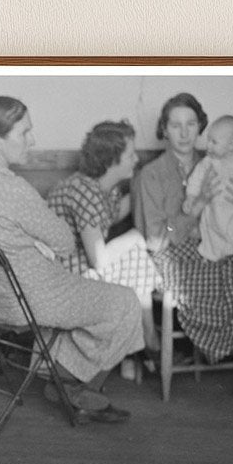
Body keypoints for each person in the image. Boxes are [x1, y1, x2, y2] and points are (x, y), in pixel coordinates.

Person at [0, 96, 144, 422]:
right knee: (126, 302)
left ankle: (64, 380)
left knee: (105, 301)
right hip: (37, 293)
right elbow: (66, 242)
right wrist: (37, 243)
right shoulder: (15, 189)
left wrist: (28, 241)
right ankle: (70, 384)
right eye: (25, 132)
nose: (33, 140)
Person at [131, 92, 233, 402]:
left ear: (202, 126)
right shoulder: (152, 174)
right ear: (164, 129)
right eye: (175, 125)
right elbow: (157, 237)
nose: (185, 132)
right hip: (175, 254)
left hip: (220, 249)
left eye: (191, 124)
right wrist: (196, 208)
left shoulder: (218, 163)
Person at [47, 119, 159, 368]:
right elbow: (99, 259)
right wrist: (137, 237)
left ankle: (140, 343)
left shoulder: (106, 190)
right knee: (136, 249)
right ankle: (144, 342)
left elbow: (115, 212)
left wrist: (146, 186)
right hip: (65, 278)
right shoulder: (82, 190)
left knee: (135, 258)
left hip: (82, 270)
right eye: (130, 154)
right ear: (111, 159)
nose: (136, 159)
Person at [182, 115, 233, 261]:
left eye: (214, 142)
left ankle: (232, 259)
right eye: (208, 140)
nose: (208, 146)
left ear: (231, 145)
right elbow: (195, 179)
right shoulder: (209, 161)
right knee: (210, 235)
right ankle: (210, 258)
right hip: (212, 210)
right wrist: (191, 196)